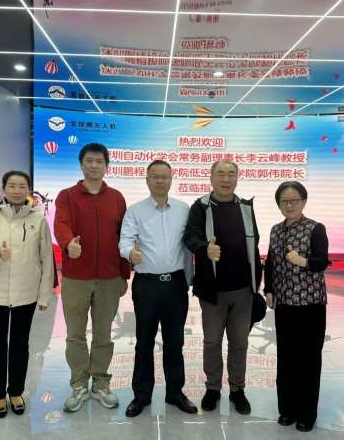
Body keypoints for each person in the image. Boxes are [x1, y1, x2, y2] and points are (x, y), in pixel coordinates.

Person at [54, 143, 131, 413]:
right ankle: (78, 383)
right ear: (81, 164)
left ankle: (100, 383)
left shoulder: (117, 198)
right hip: (77, 278)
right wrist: (68, 244)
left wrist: (124, 274)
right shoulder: (67, 196)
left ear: (106, 165)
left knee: (103, 334)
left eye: (99, 161)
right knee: (75, 335)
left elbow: (124, 237)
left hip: (109, 278)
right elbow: (61, 224)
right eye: (89, 160)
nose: (94, 165)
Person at [119, 160, 197, 417]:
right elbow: (125, 240)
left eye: (164, 176)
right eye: (155, 176)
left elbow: (190, 243)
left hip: (175, 284)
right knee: (144, 341)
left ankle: (175, 393)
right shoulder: (135, 211)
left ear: (171, 179)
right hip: (147, 285)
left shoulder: (184, 209)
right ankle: (141, 395)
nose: (160, 181)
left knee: (175, 341)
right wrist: (129, 253)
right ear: (147, 179)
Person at [183, 160, 261, 415]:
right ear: (211, 177)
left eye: (231, 174)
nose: (226, 179)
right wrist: (205, 248)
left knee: (240, 342)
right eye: (220, 174)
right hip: (212, 290)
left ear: (237, 178)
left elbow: (254, 243)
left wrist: (257, 285)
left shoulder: (246, 207)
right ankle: (213, 388)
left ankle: (237, 389)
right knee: (212, 342)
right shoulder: (200, 207)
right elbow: (190, 237)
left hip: (243, 290)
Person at [0, 170, 54, 418]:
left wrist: (44, 295)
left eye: (22, 186)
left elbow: (46, 260)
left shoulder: (38, 221)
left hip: (25, 294)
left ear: (28, 190)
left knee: (20, 344)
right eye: (12, 185)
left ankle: (16, 391)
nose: (17, 190)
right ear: (3, 189)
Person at [263, 181, 329, 433]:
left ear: (304, 201)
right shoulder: (275, 230)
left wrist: (302, 260)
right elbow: (270, 263)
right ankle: (287, 410)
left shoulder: (315, 228)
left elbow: (321, 261)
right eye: (284, 201)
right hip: (284, 305)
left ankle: (307, 413)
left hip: (310, 305)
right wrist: (269, 289)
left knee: (308, 360)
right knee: (286, 358)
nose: (289, 205)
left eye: (294, 200)